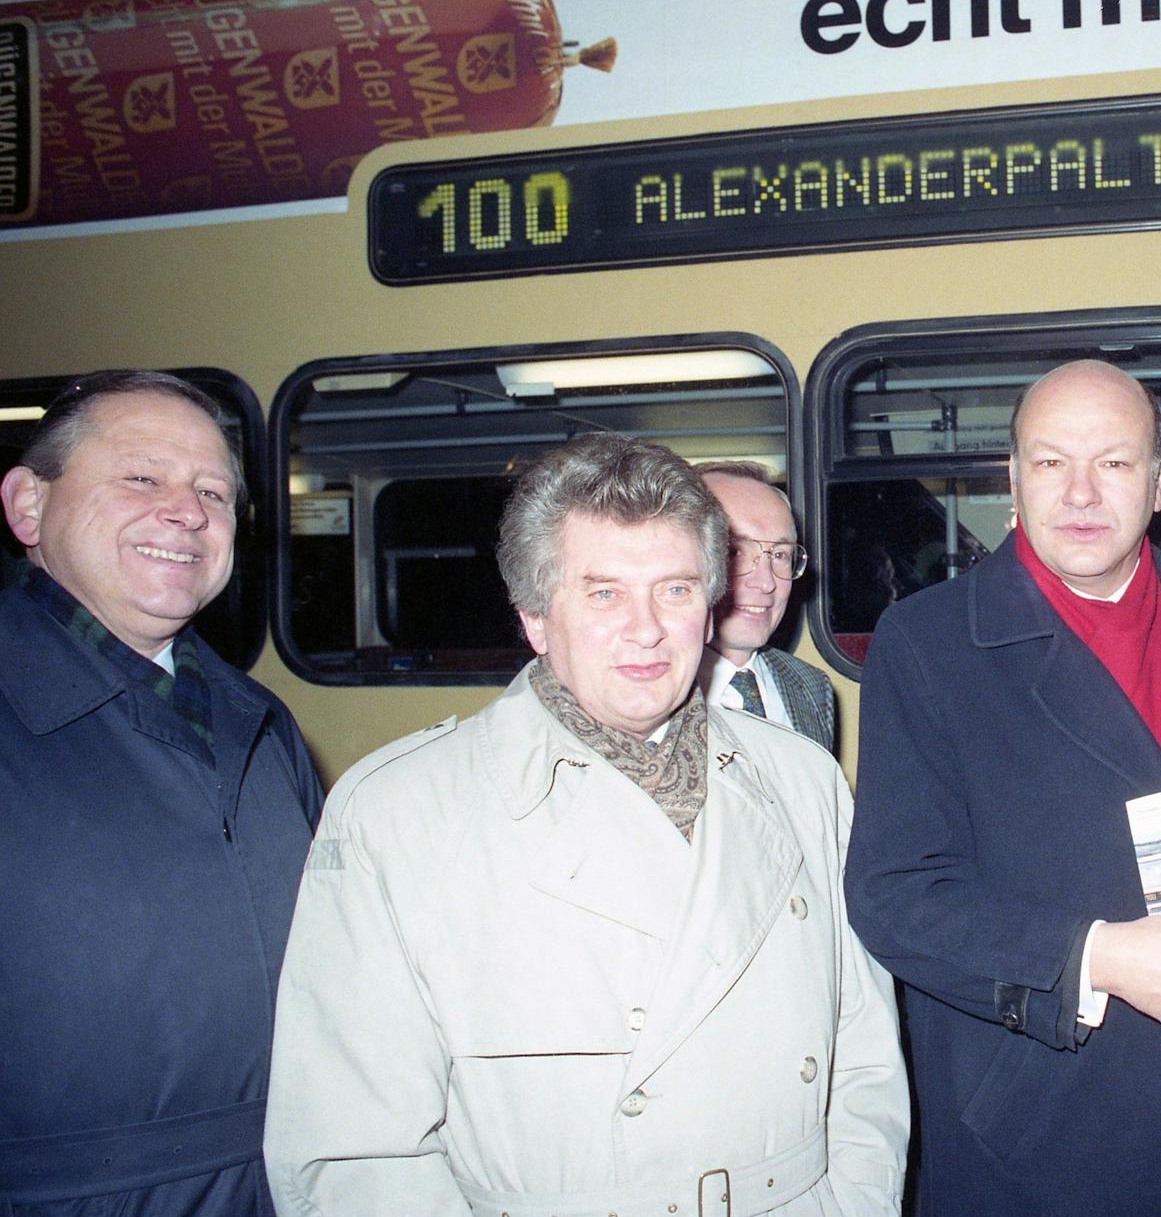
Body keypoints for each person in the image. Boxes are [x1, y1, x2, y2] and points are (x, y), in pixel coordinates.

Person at [264, 434, 908, 1215]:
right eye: (603, 593)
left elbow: (866, 1056)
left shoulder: (803, 780)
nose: (646, 628)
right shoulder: (399, 813)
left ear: (710, 607)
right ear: (535, 616)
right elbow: (356, 1149)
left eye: (674, 590)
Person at [846, 359, 1161, 1216]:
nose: (1080, 493)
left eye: (1113, 463)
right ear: (1012, 479)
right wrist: (1100, 957)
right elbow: (894, 893)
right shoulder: (928, 643)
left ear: (1160, 480)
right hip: (1039, 1133)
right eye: (1050, 463)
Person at [0, 370, 324, 1215]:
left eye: (213, 491)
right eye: (141, 477)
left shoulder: (261, 724)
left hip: (279, 1178)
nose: (187, 511)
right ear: (28, 506)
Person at [696, 461, 836, 750]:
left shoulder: (810, 686)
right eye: (734, 551)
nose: (766, 582)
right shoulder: (648, 690)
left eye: (781, 555)